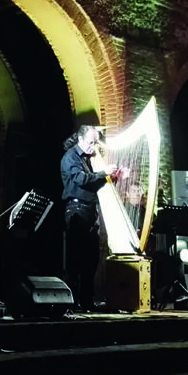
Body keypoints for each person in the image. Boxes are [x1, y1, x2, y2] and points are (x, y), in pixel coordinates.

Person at [60, 124, 121, 311]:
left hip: (89, 212)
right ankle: (72, 301)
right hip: (76, 211)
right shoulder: (70, 157)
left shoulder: (89, 159)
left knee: (91, 259)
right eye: (90, 142)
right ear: (80, 139)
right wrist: (103, 174)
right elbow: (81, 179)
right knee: (76, 259)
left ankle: (87, 300)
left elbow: (94, 182)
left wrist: (112, 177)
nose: (93, 146)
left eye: (95, 143)